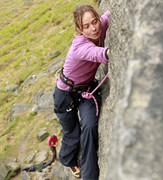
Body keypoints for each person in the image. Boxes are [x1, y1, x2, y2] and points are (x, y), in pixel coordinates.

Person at [53, 4, 110, 180]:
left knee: (90, 126)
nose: (94, 28)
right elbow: (97, 54)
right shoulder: (80, 45)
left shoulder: (100, 25)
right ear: (79, 29)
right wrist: (110, 51)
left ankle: (89, 175)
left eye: (95, 21)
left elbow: (110, 14)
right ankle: (68, 161)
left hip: (86, 90)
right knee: (72, 133)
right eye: (87, 26)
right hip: (65, 94)